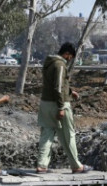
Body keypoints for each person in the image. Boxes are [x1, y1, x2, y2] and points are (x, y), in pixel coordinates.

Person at [36, 42, 89, 174]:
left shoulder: (48, 63)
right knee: (68, 135)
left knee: (46, 134)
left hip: (45, 103)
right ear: (66, 54)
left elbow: (55, 84)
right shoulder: (60, 65)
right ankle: (76, 166)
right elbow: (58, 87)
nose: (69, 59)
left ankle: (42, 165)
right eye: (70, 56)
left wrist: (70, 91)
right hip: (58, 104)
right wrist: (60, 107)